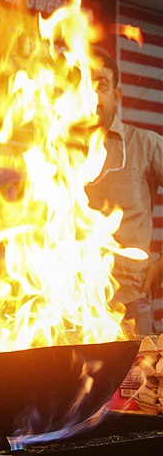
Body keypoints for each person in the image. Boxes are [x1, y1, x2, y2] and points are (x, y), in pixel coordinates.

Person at [84, 48, 163, 336]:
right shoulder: (54, 152)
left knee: (138, 381)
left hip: (131, 304)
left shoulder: (144, 144)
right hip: (72, 308)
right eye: (82, 83)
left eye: (100, 84)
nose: (91, 94)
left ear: (116, 95)